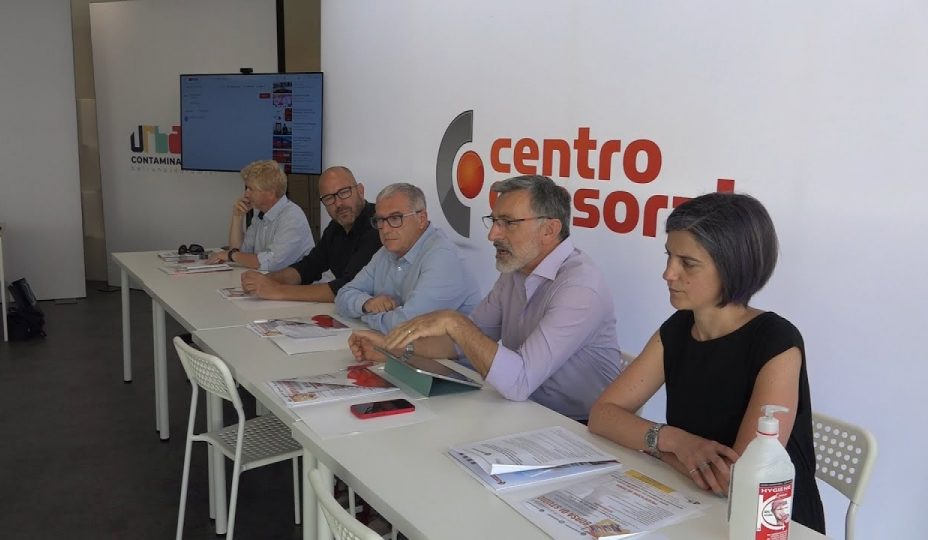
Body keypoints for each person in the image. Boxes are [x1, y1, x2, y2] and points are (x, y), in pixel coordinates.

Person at [586, 192, 824, 533]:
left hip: (770, 523)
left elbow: (735, 480)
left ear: (732, 268)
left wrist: (652, 445)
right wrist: (676, 443)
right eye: (669, 256)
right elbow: (602, 415)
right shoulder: (679, 327)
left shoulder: (777, 342)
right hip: (693, 503)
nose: (668, 273)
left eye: (688, 263)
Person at [349, 175, 622, 421]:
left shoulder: (580, 287)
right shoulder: (516, 271)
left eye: (508, 224)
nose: (493, 235)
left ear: (549, 230)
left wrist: (455, 322)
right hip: (522, 411)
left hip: (576, 428)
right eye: (493, 222)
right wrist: (391, 348)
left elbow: (518, 381)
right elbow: (460, 346)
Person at [334, 182, 481, 333]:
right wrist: (367, 304)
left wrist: (366, 315)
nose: (385, 229)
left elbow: (408, 325)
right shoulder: (386, 251)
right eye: (380, 220)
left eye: (395, 218)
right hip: (404, 349)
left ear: (421, 218)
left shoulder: (443, 257)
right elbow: (342, 295)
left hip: (446, 355)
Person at [240, 166, 382, 302]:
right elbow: (308, 267)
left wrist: (277, 290)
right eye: (328, 198)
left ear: (360, 190)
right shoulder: (336, 227)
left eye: (344, 192)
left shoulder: (378, 226)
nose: (338, 203)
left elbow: (347, 287)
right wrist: (269, 279)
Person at [207, 159, 313, 271]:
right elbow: (240, 252)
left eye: (251, 189)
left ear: (271, 193)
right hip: (274, 281)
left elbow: (271, 263)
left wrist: (230, 255)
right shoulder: (260, 216)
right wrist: (237, 216)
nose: (246, 194)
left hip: (299, 286)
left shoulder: (292, 217)